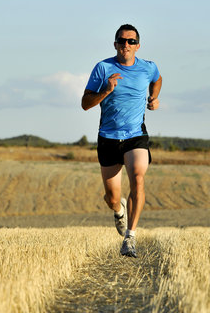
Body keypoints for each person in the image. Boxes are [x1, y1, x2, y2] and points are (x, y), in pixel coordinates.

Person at [81, 24, 162, 258]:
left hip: (136, 135)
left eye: (131, 41)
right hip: (108, 138)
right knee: (113, 198)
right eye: (122, 41)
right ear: (115, 44)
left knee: (137, 177)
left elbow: (157, 79)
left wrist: (154, 97)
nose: (126, 45)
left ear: (138, 45)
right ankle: (119, 211)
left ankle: (130, 237)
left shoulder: (148, 68)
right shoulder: (103, 68)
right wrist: (106, 91)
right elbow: (85, 104)